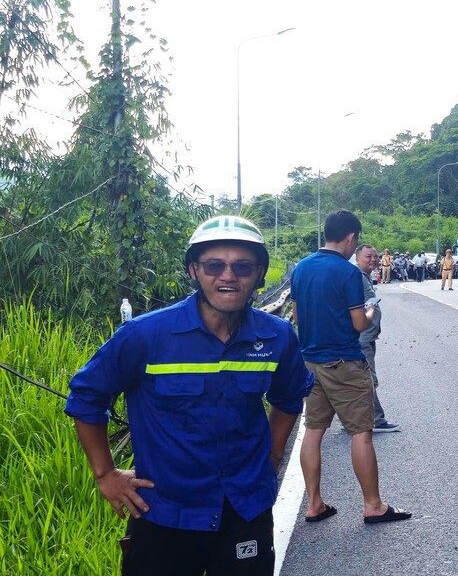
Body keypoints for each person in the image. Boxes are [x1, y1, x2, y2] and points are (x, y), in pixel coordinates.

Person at [65, 215, 314, 575]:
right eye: (214, 266)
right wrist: (105, 474)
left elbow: (289, 398)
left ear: (259, 274)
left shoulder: (277, 336)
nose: (228, 276)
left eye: (242, 267)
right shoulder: (146, 335)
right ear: (194, 271)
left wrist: (272, 457)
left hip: (245, 507)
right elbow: (87, 397)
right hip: (165, 512)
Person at [290, 210, 411, 526]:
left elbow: (298, 318)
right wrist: (370, 311)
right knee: (361, 432)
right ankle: (373, 505)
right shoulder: (347, 273)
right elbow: (359, 324)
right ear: (350, 238)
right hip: (344, 363)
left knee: (313, 431)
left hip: (310, 364)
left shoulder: (301, 268)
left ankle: (314, 504)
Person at [353, 244, 400, 433]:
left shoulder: (365, 276)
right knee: (368, 379)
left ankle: (353, 420)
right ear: (357, 259)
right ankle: (376, 420)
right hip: (362, 337)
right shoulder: (356, 277)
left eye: (375, 256)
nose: (373, 259)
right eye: (368, 257)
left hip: (368, 336)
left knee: (361, 378)